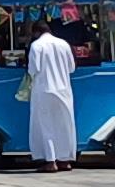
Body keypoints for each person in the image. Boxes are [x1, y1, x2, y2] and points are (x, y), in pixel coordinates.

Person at [24, 15, 83, 169]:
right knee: (64, 124)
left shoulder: (37, 46)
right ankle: (65, 159)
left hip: (44, 89)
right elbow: (72, 68)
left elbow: (33, 69)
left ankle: (50, 161)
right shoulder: (64, 44)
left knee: (45, 124)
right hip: (64, 90)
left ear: (36, 32)